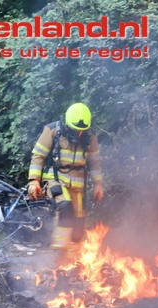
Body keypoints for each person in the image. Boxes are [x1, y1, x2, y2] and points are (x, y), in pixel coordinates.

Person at [27, 102, 104, 250]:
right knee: (65, 206)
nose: (79, 133)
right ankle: (59, 248)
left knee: (79, 220)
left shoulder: (90, 136)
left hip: (78, 183)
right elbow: (38, 156)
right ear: (67, 124)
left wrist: (98, 184)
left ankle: (73, 255)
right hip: (56, 178)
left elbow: (94, 162)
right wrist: (34, 181)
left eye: (82, 130)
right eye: (76, 130)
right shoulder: (52, 130)